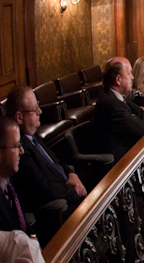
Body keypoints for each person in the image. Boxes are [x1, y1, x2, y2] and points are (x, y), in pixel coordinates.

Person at [6, 86, 86, 217]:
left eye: (38, 106)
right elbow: (43, 189)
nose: (40, 111)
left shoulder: (33, 136)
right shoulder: (19, 149)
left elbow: (56, 161)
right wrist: (73, 189)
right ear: (19, 117)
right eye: (34, 109)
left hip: (68, 189)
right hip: (61, 208)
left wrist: (71, 174)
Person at [93, 57, 144, 161]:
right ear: (118, 79)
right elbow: (142, 129)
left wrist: (137, 115)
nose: (132, 77)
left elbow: (139, 113)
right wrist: (138, 116)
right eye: (129, 74)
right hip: (119, 161)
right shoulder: (110, 104)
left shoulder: (113, 96)